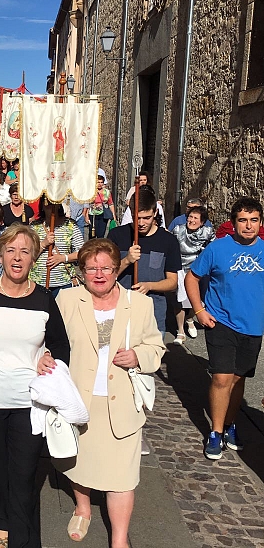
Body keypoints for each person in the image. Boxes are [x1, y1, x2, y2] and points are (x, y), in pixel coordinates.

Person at [0, 224, 70, 548]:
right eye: (11, 250)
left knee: (23, 474)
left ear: (34, 258)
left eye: (25, 252)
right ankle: (0, 524)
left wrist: (51, 361)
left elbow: (62, 347)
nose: (17, 258)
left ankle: (22, 540)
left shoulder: (44, 299)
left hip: (28, 402)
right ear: (1, 254)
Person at [55, 238, 165, 546]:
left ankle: (119, 537)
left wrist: (139, 357)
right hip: (80, 399)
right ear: (81, 271)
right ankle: (83, 507)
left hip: (122, 403)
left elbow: (156, 347)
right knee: (78, 462)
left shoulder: (139, 304)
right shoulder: (66, 299)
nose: (99, 274)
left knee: (122, 475)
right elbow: (52, 343)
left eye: (106, 268)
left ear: (118, 269)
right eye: (91, 268)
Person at [185, 197, 264, 460]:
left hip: (253, 326)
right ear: (233, 223)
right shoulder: (218, 249)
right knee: (221, 378)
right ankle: (216, 432)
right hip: (220, 322)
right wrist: (199, 310)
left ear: (260, 223)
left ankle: (231, 425)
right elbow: (192, 277)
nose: (248, 226)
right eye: (243, 220)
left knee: (239, 379)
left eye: (254, 220)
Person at [108, 187, 181, 335]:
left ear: (155, 213)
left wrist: (149, 286)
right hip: (119, 311)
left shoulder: (168, 241)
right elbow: (106, 274)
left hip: (153, 315)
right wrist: (127, 260)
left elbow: (173, 282)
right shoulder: (117, 235)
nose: (141, 223)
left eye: (146, 218)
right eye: (137, 217)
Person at [171, 205, 214, 345]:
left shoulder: (208, 232)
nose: (191, 220)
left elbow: (213, 248)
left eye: (195, 218)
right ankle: (180, 331)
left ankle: (190, 319)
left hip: (198, 270)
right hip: (180, 267)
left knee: (198, 298)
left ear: (202, 222)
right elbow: (169, 244)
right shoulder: (178, 229)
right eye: (190, 217)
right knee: (180, 300)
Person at [30, 201, 84, 297]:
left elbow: (82, 252)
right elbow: (27, 254)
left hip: (63, 282)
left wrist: (63, 258)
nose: (51, 208)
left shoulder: (70, 226)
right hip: (37, 282)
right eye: (48, 204)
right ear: (42, 206)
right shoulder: (34, 227)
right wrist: (43, 244)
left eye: (54, 204)